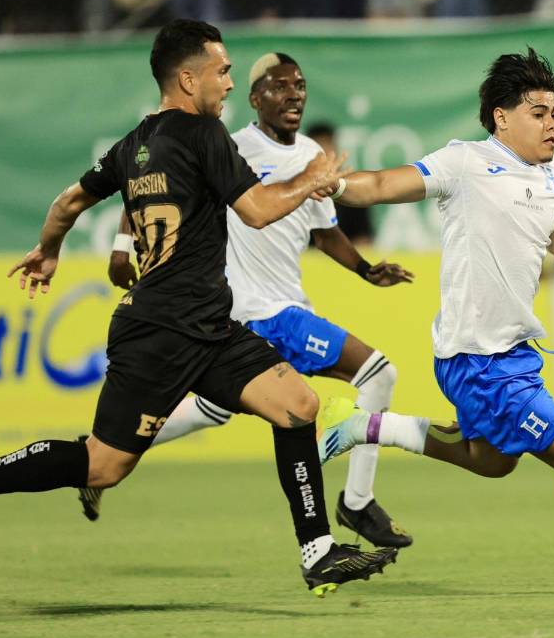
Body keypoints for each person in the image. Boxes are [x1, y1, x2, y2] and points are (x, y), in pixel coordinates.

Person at [0, 20, 397, 596]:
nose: (231, 84)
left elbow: (68, 202)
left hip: (209, 322)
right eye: (222, 71)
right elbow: (257, 210)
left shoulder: (133, 143)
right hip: (159, 329)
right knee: (102, 465)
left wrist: (49, 250)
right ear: (188, 79)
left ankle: (318, 553)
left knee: (297, 405)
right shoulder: (206, 134)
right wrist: (311, 178)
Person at [314, 49, 554, 594]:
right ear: (502, 116)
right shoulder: (465, 162)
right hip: (477, 359)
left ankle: (365, 426)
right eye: (538, 113)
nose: (552, 125)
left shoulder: (552, 174)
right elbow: (380, 185)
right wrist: (333, 184)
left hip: (513, 354)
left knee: (492, 462)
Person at [95, 52, 414, 549]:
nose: (294, 95)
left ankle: (96, 460)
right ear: (255, 97)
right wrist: (121, 246)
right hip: (259, 312)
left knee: (210, 409)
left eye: (301, 86)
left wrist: (366, 270)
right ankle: (355, 504)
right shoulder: (229, 144)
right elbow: (149, 185)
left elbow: (325, 233)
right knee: (379, 373)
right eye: (280, 86)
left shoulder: (311, 156)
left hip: (269, 312)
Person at [306, 122, 374, 245]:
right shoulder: (296, 190)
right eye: (319, 146)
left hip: (345, 261)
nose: (324, 152)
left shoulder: (353, 188)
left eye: (328, 145)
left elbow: (364, 239)